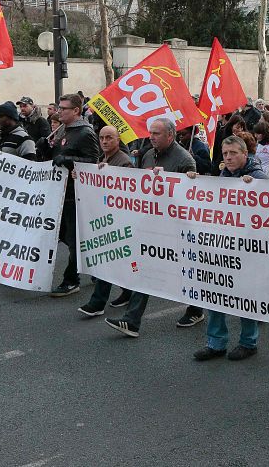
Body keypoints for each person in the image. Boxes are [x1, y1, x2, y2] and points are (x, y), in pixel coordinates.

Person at [105, 119, 198, 336]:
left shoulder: (185, 159)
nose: (152, 137)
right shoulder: (147, 154)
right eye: (151, 133)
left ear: (170, 135)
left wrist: (180, 180)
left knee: (185, 270)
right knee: (145, 269)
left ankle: (195, 309)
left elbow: (191, 197)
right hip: (151, 223)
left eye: (157, 133)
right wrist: (106, 171)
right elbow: (135, 183)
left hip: (175, 226)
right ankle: (132, 321)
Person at [192, 135, 266, 361]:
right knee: (216, 292)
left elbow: (268, 212)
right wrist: (194, 182)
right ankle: (216, 343)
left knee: (245, 295)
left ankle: (248, 342)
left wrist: (252, 189)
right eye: (225, 154)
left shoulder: (258, 177)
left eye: (233, 153)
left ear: (245, 154)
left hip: (248, 247)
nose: (229, 157)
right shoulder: (225, 174)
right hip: (224, 245)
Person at [77, 126, 135, 317]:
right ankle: (128, 292)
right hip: (107, 218)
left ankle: (97, 303)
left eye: (109, 137)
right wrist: (82, 178)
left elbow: (127, 192)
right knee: (120, 261)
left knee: (107, 260)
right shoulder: (103, 160)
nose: (104, 141)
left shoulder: (124, 162)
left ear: (118, 140)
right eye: (101, 138)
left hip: (118, 220)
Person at [49, 94, 100, 297]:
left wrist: (68, 159)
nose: (59, 111)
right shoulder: (64, 129)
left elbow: (92, 160)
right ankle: (96, 266)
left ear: (76, 111)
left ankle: (72, 279)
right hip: (62, 192)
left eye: (64, 108)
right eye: (60, 108)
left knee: (73, 238)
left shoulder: (85, 132)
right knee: (62, 234)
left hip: (76, 194)